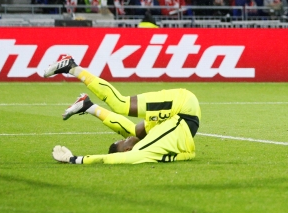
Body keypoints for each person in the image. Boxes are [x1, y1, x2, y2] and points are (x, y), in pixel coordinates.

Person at [46, 55, 201, 164]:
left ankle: (73, 69)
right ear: (127, 150)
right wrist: (76, 160)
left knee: (133, 127)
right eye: (124, 141)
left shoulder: (144, 145)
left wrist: (76, 159)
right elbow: (117, 159)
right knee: (121, 105)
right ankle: (76, 79)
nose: (125, 137)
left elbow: (129, 132)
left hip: (183, 113)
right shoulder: (141, 149)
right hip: (184, 110)